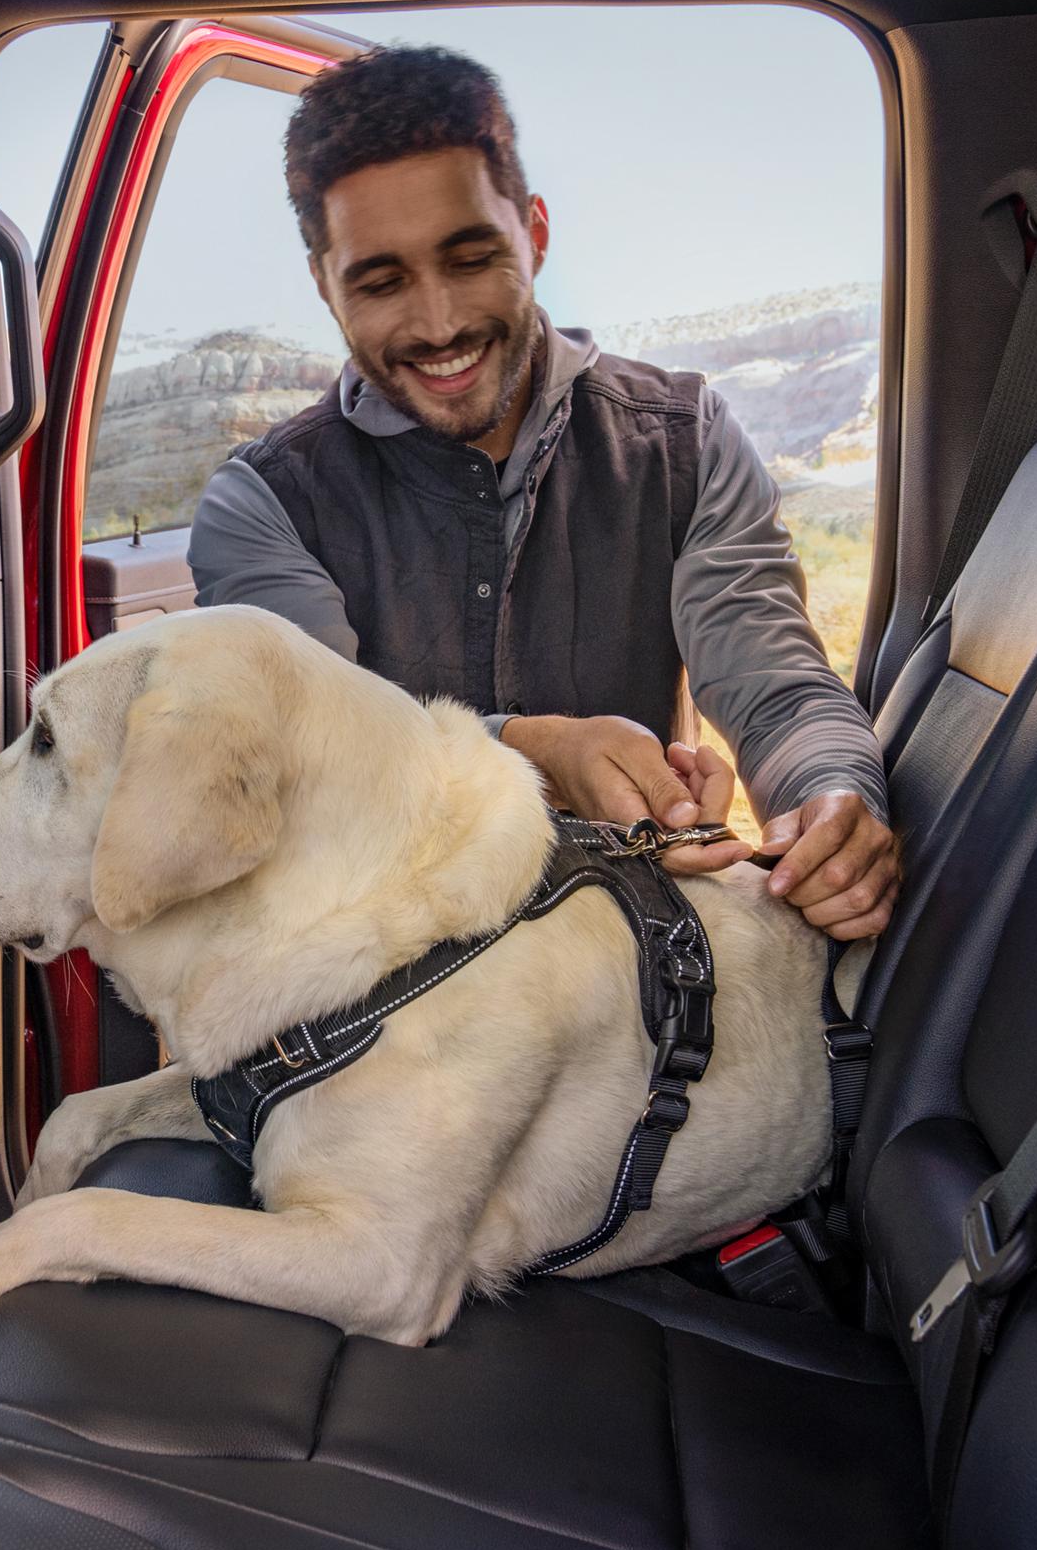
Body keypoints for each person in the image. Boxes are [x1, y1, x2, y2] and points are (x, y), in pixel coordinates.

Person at [189, 45, 897, 939]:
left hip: (640, 987)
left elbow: (779, 690)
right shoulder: (262, 503)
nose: (440, 323)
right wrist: (532, 754)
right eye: (381, 281)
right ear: (325, 288)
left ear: (537, 233)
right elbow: (309, 761)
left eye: (472, 257)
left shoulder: (689, 439)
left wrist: (830, 795)